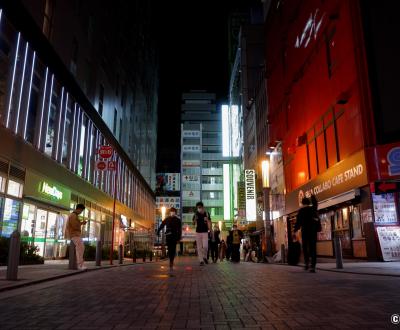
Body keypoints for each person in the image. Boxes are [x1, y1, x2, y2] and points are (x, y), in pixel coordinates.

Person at [294, 196, 319, 272]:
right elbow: (316, 204)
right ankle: (313, 266)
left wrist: (295, 230)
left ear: (302, 203)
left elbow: (298, 222)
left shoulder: (301, 211)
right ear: (309, 202)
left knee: (305, 248)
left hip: (305, 232)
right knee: (313, 248)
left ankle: (307, 263)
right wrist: (313, 197)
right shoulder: (312, 209)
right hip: (313, 231)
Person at [65, 204, 87, 270]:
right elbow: (75, 226)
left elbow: (75, 224)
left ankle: (80, 264)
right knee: (80, 248)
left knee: (80, 248)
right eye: (81, 211)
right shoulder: (73, 215)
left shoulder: (74, 215)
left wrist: (81, 223)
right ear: (79, 209)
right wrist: (80, 223)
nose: (81, 212)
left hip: (75, 234)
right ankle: (80, 265)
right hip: (74, 234)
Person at [192, 201, 211, 266]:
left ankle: (204, 257)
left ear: (203, 207)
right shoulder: (196, 214)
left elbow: (209, 222)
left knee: (205, 246)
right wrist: (195, 219)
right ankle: (201, 261)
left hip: (205, 232)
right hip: (198, 232)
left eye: (200, 207)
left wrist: (210, 231)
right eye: (197, 208)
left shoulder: (207, 213)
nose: (199, 209)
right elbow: (193, 223)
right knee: (199, 247)